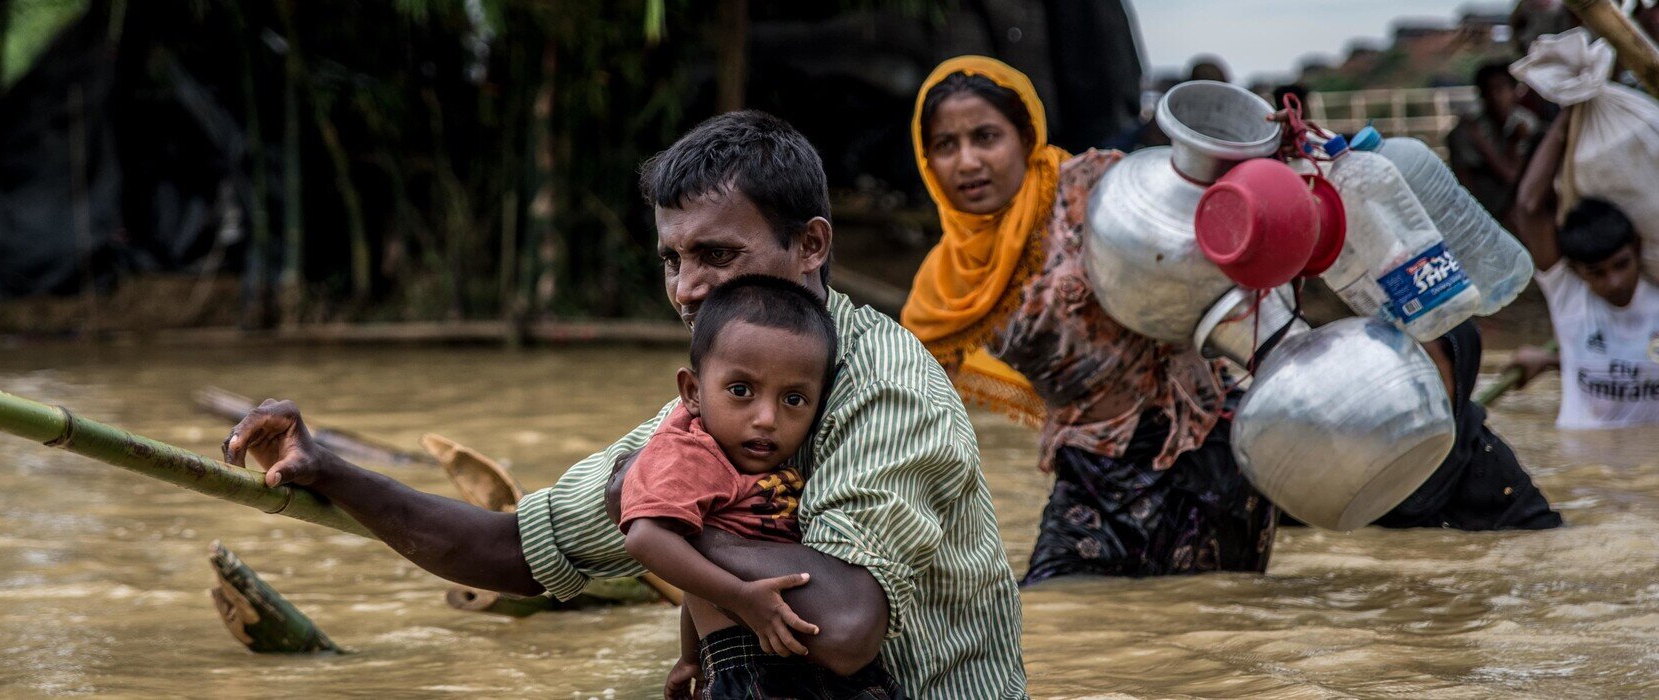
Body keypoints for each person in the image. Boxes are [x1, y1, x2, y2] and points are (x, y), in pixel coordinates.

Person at [222, 111, 1027, 698]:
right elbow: (515, 552)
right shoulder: (709, 408)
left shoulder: (887, 385)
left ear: (811, 246)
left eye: (716, 255)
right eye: (672, 260)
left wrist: (659, 511)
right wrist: (329, 469)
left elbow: (847, 628)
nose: (686, 290)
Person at [901, 56, 1274, 585]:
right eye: (945, 145)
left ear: (1025, 136)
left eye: (986, 137)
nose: (967, 162)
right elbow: (906, 406)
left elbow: (1214, 224)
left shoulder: (1097, 190)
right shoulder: (945, 283)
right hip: (1088, 470)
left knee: (1203, 620)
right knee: (1056, 607)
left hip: (1193, 452)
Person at [621, 275, 903, 699]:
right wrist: (739, 600)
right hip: (748, 666)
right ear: (693, 392)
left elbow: (698, 562)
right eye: (741, 391)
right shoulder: (690, 454)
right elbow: (647, 537)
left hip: (806, 658)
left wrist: (690, 657)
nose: (767, 418)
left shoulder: (768, 458)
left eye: (793, 400)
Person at [1509, 118, 1659, 430]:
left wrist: (1552, 363)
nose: (1615, 282)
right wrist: (1565, 123)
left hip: (1656, 471)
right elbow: (1529, 207)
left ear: (1636, 248)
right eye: (1597, 273)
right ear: (1578, 273)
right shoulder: (1569, 295)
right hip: (1582, 469)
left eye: (1621, 265)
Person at [1371, 320, 1564, 530]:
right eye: (1399, 371)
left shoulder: (1489, 467)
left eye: (1426, 374)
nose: (1409, 389)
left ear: (1460, 376)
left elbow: (1542, 537)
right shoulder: (1356, 442)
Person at [1447, 62, 1542, 224]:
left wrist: (1482, 144)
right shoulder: (1469, 130)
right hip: (1485, 204)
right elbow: (1465, 178)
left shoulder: (1525, 124)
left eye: (1501, 89)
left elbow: (1512, 177)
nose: (1495, 97)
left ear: (1513, 92)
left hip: (1518, 205)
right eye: (1489, 91)